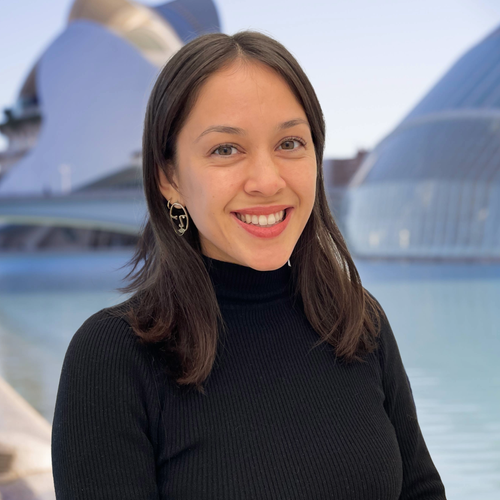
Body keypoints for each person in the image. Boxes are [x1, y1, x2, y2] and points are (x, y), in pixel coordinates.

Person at [51, 31, 446, 499]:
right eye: (226, 149)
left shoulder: (358, 322)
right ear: (169, 177)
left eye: (290, 143)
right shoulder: (113, 359)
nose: (266, 180)